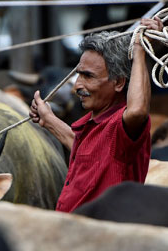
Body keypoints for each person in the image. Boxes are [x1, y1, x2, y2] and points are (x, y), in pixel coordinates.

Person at [29, 17, 160, 213]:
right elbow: (86, 149)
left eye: (88, 76)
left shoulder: (121, 127)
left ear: (118, 83)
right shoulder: (96, 123)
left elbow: (138, 111)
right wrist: (49, 120)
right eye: (79, 75)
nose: (77, 86)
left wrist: (140, 50)